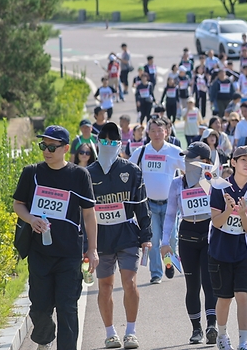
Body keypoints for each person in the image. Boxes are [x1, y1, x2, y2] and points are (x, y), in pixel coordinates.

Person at [12, 125, 98, 350]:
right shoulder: (32, 173)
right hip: (40, 253)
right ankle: (45, 338)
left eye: (52, 146)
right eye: (43, 146)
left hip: (69, 254)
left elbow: (89, 215)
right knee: (40, 308)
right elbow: (18, 204)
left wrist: (93, 250)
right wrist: (31, 219)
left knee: (67, 308)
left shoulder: (79, 175)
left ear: (66, 148)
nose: (46, 151)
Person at [86, 124, 152, 350]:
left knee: (129, 283)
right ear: (97, 143)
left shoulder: (132, 171)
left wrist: (146, 236)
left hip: (127, 235)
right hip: (101, 238)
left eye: (112, 141)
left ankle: (131, 332)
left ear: (120, 144)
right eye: (103, 140)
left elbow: (142, 205)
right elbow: (81, 213)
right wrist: (86, 244)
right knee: (105, 285)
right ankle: (110, 333)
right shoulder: (88, 174)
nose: (108, 144)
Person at [208, 146, 247, 350]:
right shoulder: (219, 186)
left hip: (244, 249)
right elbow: (216, 222)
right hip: (220, 249)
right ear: (233, 162)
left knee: (243, 295)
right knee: (224, 298)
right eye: (243, 160)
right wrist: (229, 209)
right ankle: (222, 336)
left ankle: (243, 342)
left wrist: (241, 212)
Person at [128, 118, 185, 284]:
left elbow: (188, 170)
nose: (157, 134)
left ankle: (168, 262)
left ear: (166, 132)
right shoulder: (142, 151)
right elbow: (129, 170)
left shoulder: (174, 150)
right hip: (149, 204)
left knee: (172, 238)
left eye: (160, 130)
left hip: (170, 205)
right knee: (153, 240)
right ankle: (156, 273)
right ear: (148, 132)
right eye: (153, 130)